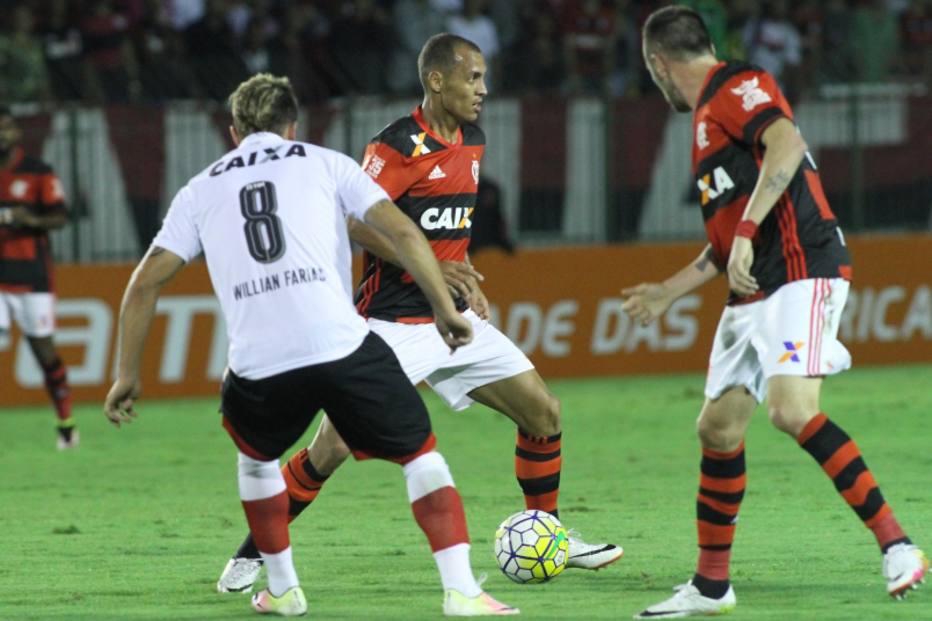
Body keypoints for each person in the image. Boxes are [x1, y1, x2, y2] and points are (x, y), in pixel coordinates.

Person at [216, 33, 622, 594]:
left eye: (483, 77)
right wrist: (434, 266)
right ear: (437, 80)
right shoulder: (396, 147)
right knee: (328, 450)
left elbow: (447, 228)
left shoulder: (473, 140)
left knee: (543, 413)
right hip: (389, 325)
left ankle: (544, 531)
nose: (483, 89)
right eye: (473, 77)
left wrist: (463, 277)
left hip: (454, 319)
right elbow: (356, 223)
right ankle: (252, 553)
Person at [103, 73, 517, 618]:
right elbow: (406, 235)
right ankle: (462, 591)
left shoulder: (199, 190)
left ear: (233, 132)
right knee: (420, 455)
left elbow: (143, 284)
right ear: (292, 125)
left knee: (256, 463)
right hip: (342, 345)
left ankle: (283, 587)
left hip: (259, 366)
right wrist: (445, 309)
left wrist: (126, 375)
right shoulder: (326, 163)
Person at [624, 6, 928, 618]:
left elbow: (787, 140)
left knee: (791, 411)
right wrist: (668, 291)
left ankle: (898, 544)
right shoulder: (707, 120)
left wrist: (748, 228)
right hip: (753, 288)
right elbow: (723, 244)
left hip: (800, 267)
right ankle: (711, 587)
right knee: (717, 429)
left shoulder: (737, 86)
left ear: (658, 64)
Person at [0, 106, 75, 450]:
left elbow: (60, 218)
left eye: (6, 128)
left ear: (16, 133)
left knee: (43, 351)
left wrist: (27, 219)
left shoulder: (37, 171)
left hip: (33, 278)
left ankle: (66, 424)